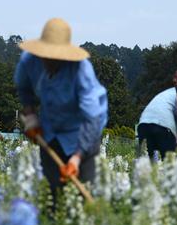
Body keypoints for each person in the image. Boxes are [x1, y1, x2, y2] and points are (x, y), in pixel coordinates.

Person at [14, 18, 108, 195]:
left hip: (82, 133)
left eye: (54, 56)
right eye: (46, 55)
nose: (49, 60)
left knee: (82, 193)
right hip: (50, 132)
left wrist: (77, 158)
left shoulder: (81, 70)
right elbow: (23, 88)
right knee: (53, 193)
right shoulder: (29, 61)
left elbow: (92, 117)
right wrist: (31, 115)